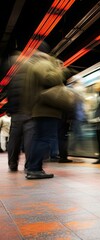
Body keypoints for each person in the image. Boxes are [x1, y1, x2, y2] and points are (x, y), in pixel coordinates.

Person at [24, 45, 69, 179]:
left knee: (40, 138)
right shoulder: (42, 63)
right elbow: (49, 79)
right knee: (45, 139)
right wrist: (61, 71)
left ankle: (34, 168)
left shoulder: (36, 64)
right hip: (46, 108)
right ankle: (34, 169)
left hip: (41, 108)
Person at [5, 50, 36, 172]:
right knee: (29, 139)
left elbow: (9, 97)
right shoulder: (31, 77)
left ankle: (12, 164)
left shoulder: (13, 79)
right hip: (29, 112)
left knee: (14, 139)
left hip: (16, 114)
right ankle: (29, 165)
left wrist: (10, 110)